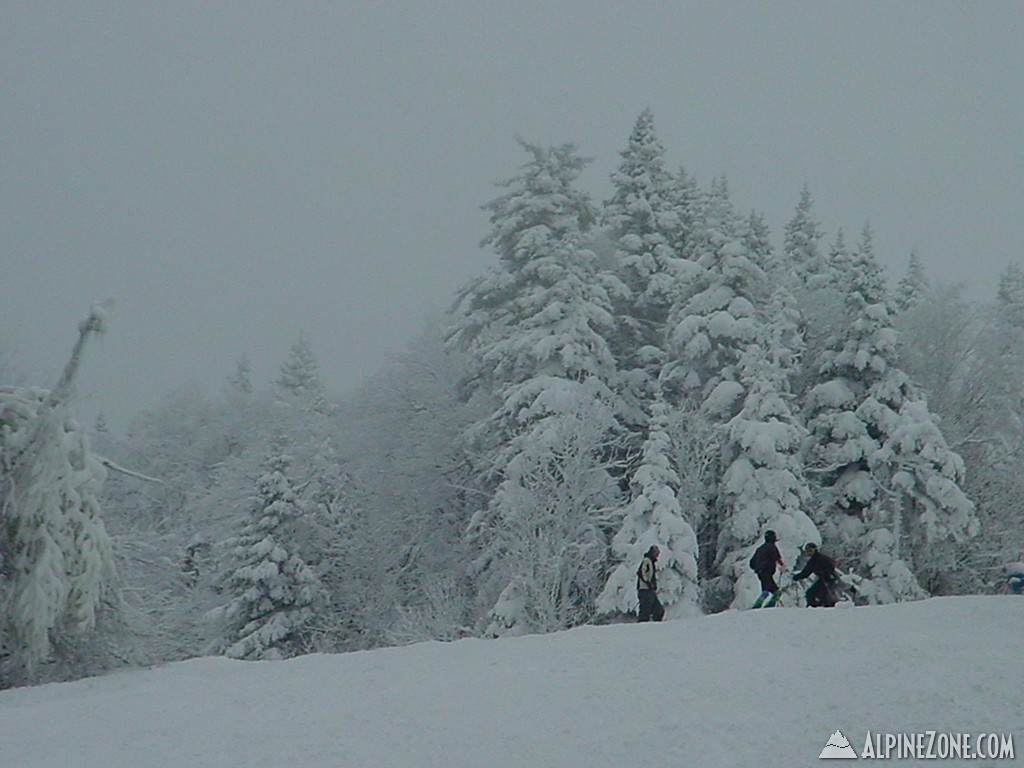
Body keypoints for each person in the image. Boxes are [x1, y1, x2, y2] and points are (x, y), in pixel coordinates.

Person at [792, 542, 839, 607]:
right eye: (807, 551)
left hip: (828, 580)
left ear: (815, 550)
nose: (808, 553)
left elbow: (830, 569)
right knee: (810, 593)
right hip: (823, 579)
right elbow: (806, 572)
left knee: (823, 596)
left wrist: (828, 577)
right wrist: (796, 577)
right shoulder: (813, 560)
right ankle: (813, 608)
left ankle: (822, 609)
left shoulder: (822, 559)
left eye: (810, 551)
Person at [749, 530, 784, 608]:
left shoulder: (760, 548)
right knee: (767, 589)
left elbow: (751, 563)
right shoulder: (772, 547)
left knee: (775, 590)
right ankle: (758, 604)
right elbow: (777, 558)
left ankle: (770, 604)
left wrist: (757, 567)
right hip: (767, 571)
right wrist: (782, 566)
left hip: (760, 572)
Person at [636, 545, 665, 622]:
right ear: (652, 553)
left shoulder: (651, 562)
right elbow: (641, 573)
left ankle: (656, 626)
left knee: (658, 610)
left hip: (649, 590)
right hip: (644, 590)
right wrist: (649, 583)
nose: (658, 555)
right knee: (645, 611)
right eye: (656, 553)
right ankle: (642, 627)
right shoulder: (647, 561)